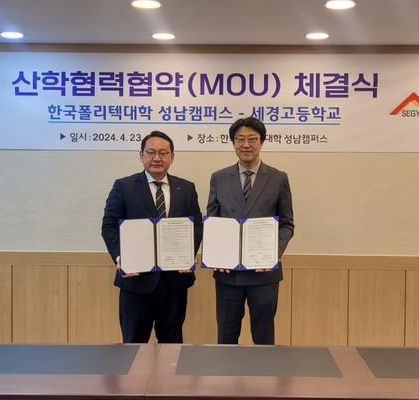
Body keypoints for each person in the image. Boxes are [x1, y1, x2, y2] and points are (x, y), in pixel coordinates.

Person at [101, 131, 203, 343]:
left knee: (172, 345)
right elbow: (109, 225)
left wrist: (189, 253)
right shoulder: (124, 186)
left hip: (174, 282)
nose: (157, 158)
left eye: (163, 153)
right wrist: (120, 257)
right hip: (136, 281)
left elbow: (196, 225)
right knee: (133, 345)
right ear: (141, 155)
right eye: (151, 152)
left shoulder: (186, 188)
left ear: (172, 156)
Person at [207, 117, 294, 345]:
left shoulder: (278, 178)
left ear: (261, 142)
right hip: (228, 273)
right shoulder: (218, 177)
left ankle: (264, 371)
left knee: (264, 337)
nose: (246, 144)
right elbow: (213, 221)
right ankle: (226, 369)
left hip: (264, 273)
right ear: (233, 143)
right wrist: (215, 254)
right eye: (240, 139)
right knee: (226, 336)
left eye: (252, 139)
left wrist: (273, 253)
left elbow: (287, 224)